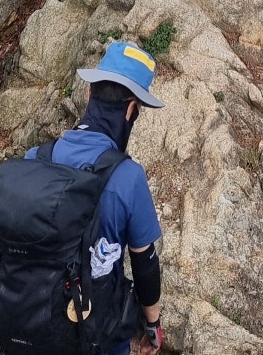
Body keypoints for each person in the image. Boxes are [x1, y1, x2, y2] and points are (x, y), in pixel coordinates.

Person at [26, 41, 165, 354]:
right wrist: (152, 324)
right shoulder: (127, 177)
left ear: (89, 94)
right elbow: (145, 263)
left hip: (33, 323)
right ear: (131, 110)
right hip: (93, 331)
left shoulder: (35, 157)